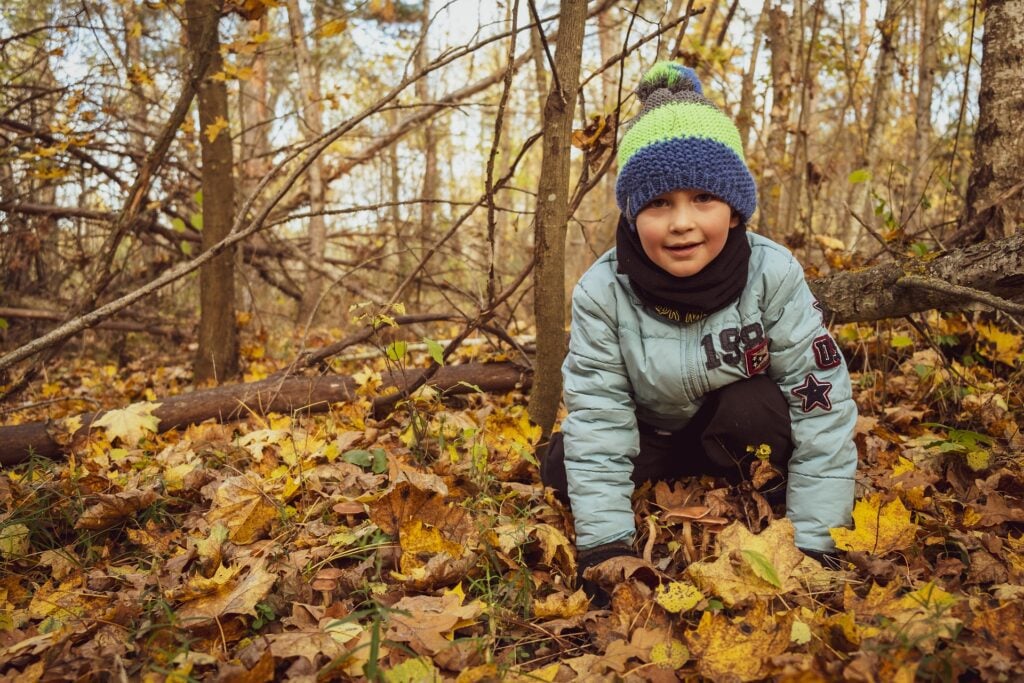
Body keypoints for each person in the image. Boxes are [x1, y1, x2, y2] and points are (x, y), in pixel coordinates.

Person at [539, 62, 857, 598]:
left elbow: (820, 403)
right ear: (634, 215)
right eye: (660, 202)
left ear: (734, 210)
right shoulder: (602, 291)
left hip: (738, 429)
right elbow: (599, 415)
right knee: (562, 463)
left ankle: (751, 485)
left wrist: (817, 538)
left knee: (757, 404)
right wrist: (606, 546)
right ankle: (655, 484)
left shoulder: (772, 274)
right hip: (652, 432)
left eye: (702, 199)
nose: (681, 222)